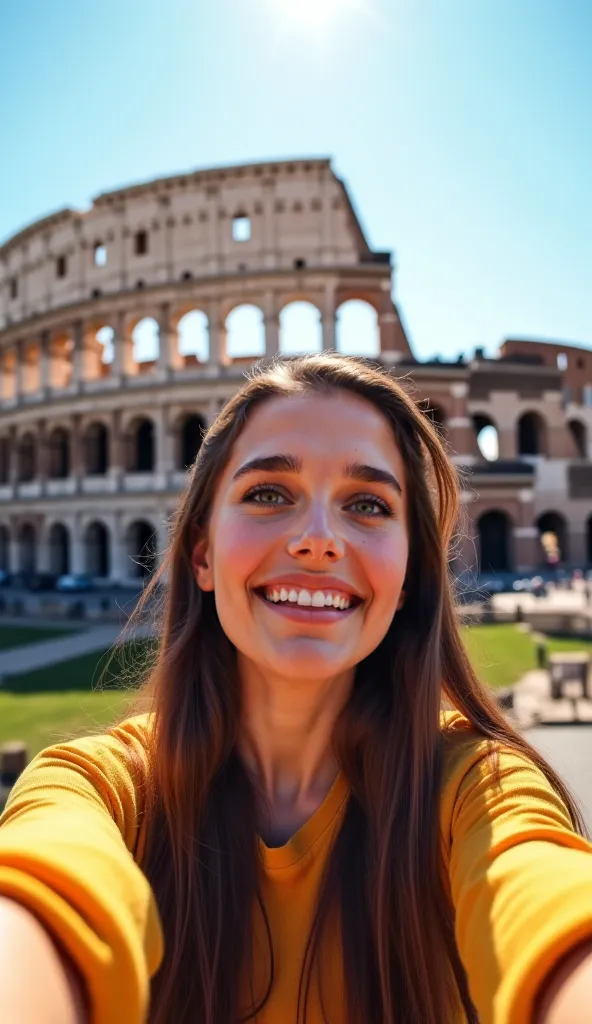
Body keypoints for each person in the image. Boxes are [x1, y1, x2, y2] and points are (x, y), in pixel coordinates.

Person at [1, 352, 592, 1024]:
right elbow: (35, 904)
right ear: (201, 554)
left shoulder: (478, 790)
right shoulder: (99, 789)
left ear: (408, 576)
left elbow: (546, 899)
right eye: (268, 494)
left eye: (368, 504)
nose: (317, 540)